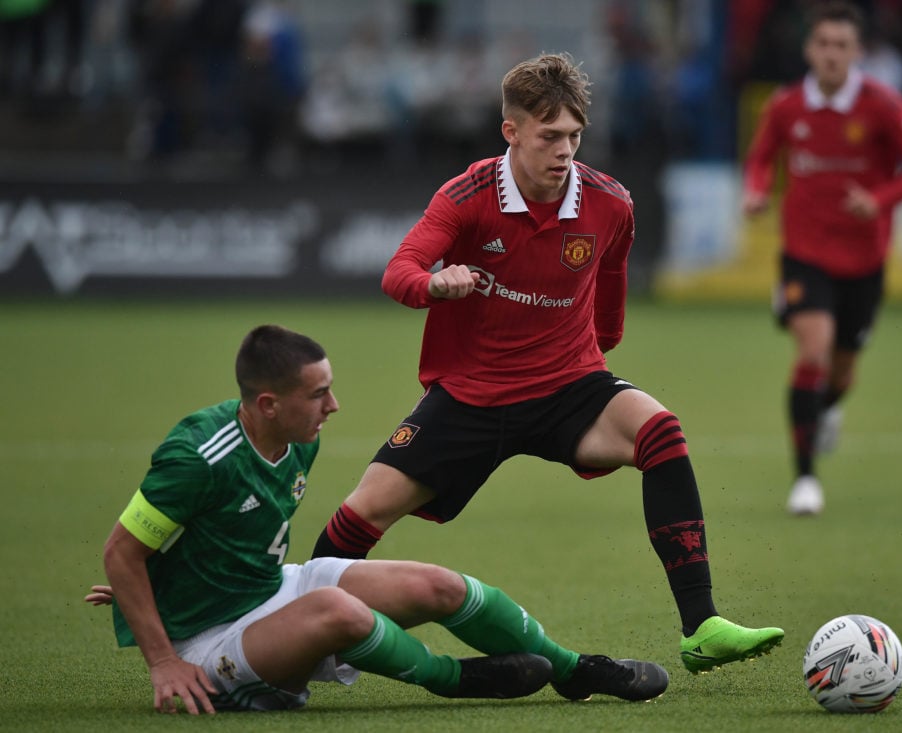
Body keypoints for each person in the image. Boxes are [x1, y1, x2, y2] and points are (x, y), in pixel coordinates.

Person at [309, 52, 784, 673]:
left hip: (567, 387)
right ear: (511, 132)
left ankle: (701, 626)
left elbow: (611, 280)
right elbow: (398, 273)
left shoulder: (610, 203)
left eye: (574, 136)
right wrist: (437, 284)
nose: (565, 151)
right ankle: (305, 631)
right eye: (550, 136)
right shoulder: (467, 195)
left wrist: (597, 352)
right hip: (471, 398)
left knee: (660, 431)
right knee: (363, 512)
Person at [86, 324, 669, 715]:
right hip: (203, 643)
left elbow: (214, 533)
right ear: (268, 404)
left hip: (262, 592)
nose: (333, 406)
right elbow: (121, 550)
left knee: (437, 585)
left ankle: (574, 670)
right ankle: (454, 679)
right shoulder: (198, 456)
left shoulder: (297, 434)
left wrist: (169, 577)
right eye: (318, 394)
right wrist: (163, 659)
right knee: (338, 609)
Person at [741, 1, 902, 515]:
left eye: (842, 46)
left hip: (864, 260)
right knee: (813, 349)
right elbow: (761, 159)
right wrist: (757, 191)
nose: (832, 55)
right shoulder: (786, 106)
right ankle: (805, 480)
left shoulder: (883, 105)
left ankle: (824, 410)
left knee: (842, 372)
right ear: (810, 48)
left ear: (857, 52)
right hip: (805, 253)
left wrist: (878, 200)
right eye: (823, 44)